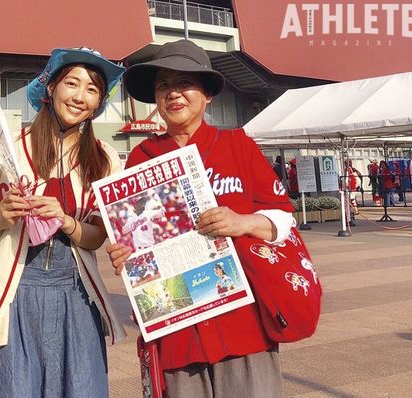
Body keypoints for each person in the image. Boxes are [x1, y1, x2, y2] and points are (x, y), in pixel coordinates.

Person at [107, 39, 295, 397]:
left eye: (184, 82)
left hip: (244, 325)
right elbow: (133, 232)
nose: (173, 94)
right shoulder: (141, 157)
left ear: (207, 94)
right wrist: (125, 255)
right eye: (163, 85)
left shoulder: (237, 145)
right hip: (177, 330)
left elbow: (283, 218)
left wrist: (244, 222)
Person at [0, 47, 126, 397]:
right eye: (72, 84)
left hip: (76, 296)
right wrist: (2, 215)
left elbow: (97, 237)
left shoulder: (105, 157)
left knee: (79, 387)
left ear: (98, 103)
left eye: (92, 89)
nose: (80, 96)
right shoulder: (10, 147)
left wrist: (67, 221)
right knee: (12, 385)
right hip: (17, 292)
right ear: (50, 88)